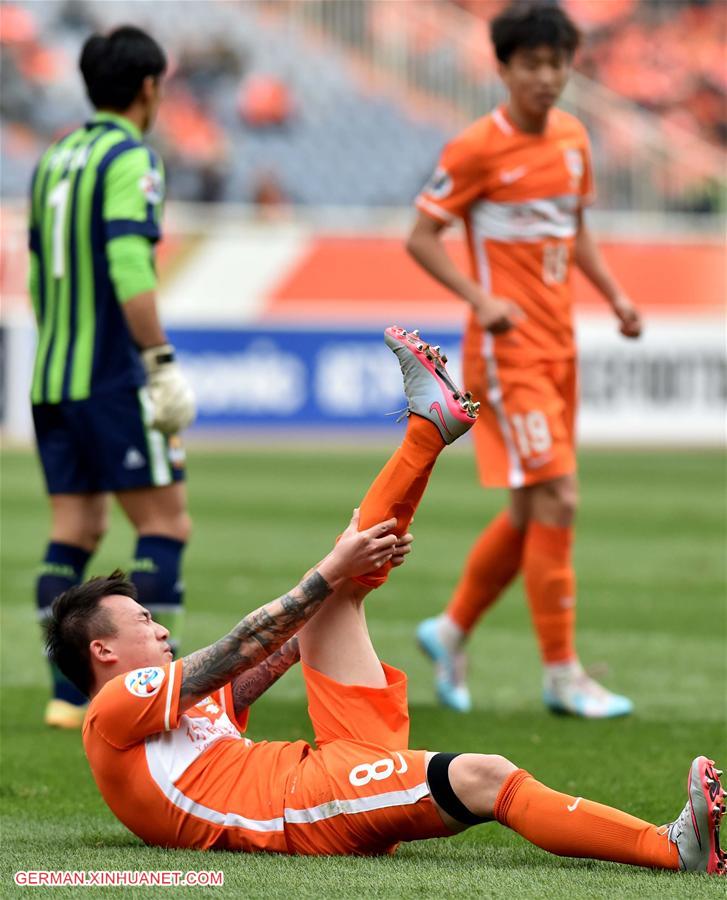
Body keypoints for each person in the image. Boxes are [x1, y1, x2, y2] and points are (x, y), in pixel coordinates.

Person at [45, 327, 725, 874]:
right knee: (487, 775)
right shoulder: (113, 708)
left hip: (317, 780)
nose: (159, 632)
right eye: (142, 622)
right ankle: (668, 848)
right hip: (296, 806)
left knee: (336, 597)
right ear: (101, 649)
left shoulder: (165, 720)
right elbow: (233, 651)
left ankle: (429, 428)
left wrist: (341, 577)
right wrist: (324, 573)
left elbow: (266, 651)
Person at [409, 2, 643, 716]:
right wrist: (479, 300)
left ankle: (448, 632)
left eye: (557, 63)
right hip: (506, 355)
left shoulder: (573, 137)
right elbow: (420, 237)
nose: (547, 77)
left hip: (559, 346)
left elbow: (573, 231)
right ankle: (562, 675)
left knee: (527, 510)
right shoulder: (476, 147)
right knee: (559, 497)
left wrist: (614, 294)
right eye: (532, 64)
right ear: (503, 68)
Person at [28, 26, 195, 729]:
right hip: (110, 376)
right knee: (165, 523)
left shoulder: (53, 158)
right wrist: (157, 362)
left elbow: (40, 275)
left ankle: (68, 697)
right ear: (150, 87)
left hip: (51, 373)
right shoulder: (131, 158)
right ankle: (151, 690)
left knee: (76, 525)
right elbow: (131, 267)